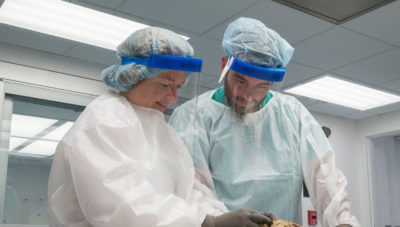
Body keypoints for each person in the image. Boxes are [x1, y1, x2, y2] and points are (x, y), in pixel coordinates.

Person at [47, 26, 276, 227]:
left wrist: (225, 216)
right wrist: (207, 222)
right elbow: (121, 207)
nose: (174, 97)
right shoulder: (104, 120)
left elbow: (190, 192)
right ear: (133, 75)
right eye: (164, 84)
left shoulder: (162, 131)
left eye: (179, 86)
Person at [169, 17, 360, 227]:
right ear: (225, 65)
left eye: (261, 86)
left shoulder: (291, 112)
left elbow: (324, 175)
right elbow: (193, 189)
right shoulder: (193, 116)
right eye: (240, 81)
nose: (248, 96)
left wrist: (343, 222)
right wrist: (219, 221)